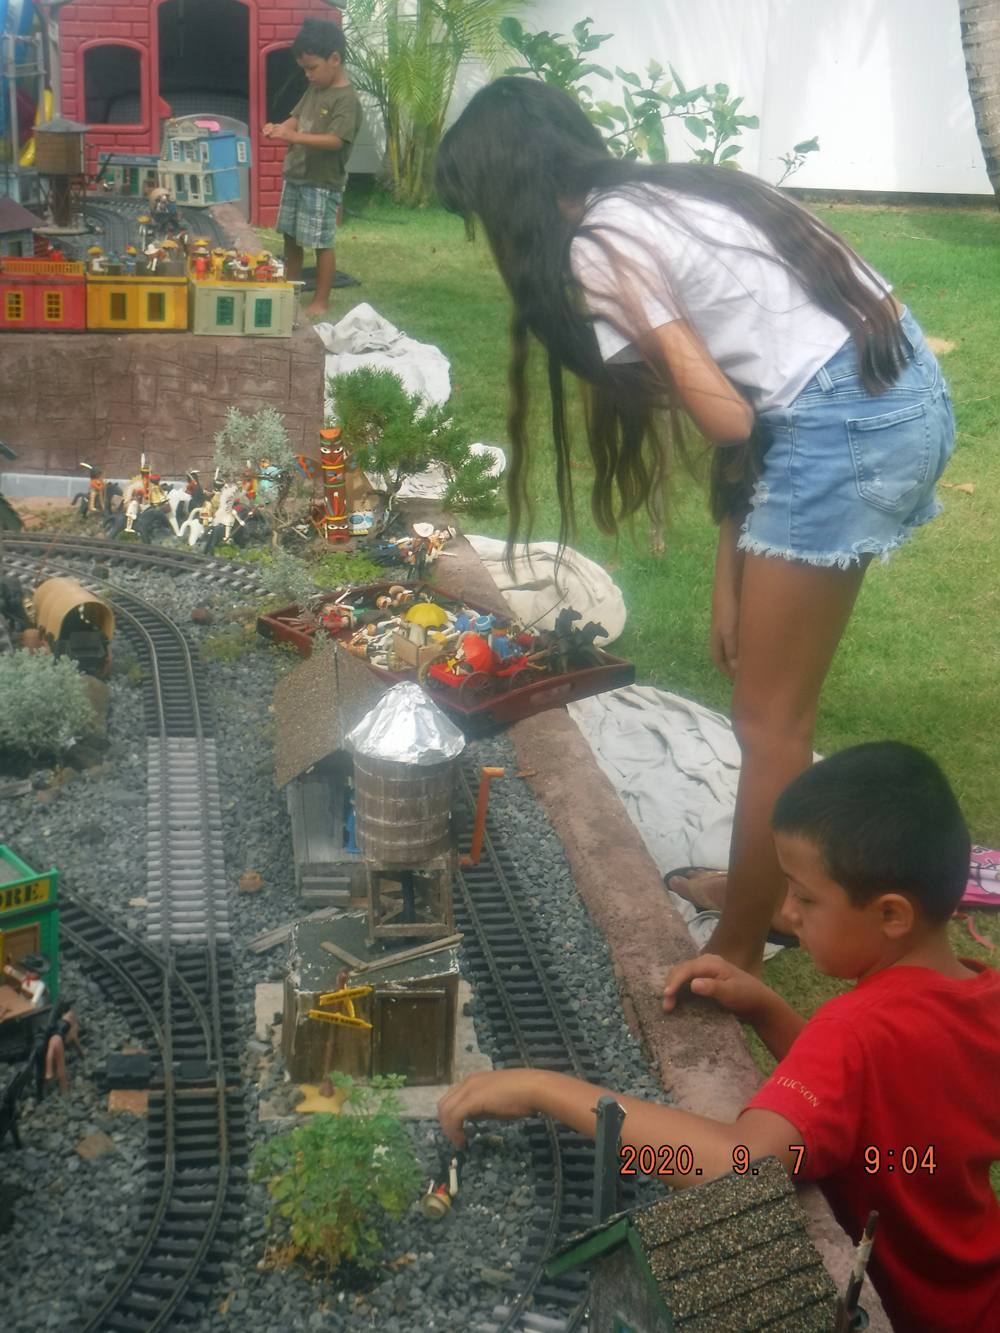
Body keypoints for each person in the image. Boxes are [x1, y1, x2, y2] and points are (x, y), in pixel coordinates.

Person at [434, 79, 956, 974]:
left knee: (769, 721)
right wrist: (731, 575)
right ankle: (765, 895)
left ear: (507, 192)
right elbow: (767, 398)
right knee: (770, 702)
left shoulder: (602, 242)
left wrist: (649, 347)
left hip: (843, 425)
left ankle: (739, 948)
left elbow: (728, 414)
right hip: (896, 398)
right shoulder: (678, 190)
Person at [438, 742, 1000, 1333]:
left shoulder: (853, 1032)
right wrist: (767, 1009)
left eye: (805, 896)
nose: (788, 912)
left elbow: (736, 1169)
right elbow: (881, 1097)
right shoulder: (979, 996)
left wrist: (545, 1089)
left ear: (891, 915)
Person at [263, 17, 362, 319]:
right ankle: (289, 293)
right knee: (290, 238)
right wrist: (280, 128)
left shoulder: (346, 99)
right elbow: (297, 118)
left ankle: (320, 301)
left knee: (321, 243)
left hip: (322, 182)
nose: (308, 74)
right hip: (296, 175)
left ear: (335, 59)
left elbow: (335, 141)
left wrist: (293, 137)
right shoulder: (315, 88)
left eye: (312, 67)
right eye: (304, 69)